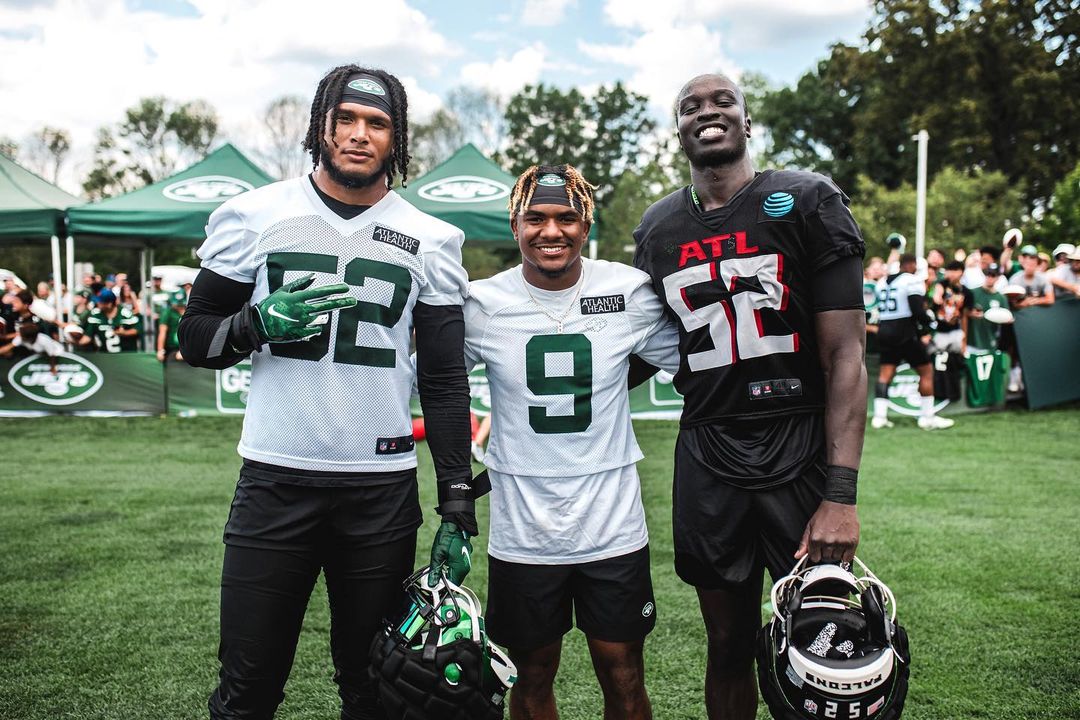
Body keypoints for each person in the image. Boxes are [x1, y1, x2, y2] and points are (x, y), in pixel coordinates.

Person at [177, 64, 475, 720]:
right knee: (247, 689)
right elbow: (194, 339)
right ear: (321, 126)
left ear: (397, 138)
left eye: (378, 123)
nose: (360, 134)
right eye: (346, 119)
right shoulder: (255, 215)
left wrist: (457, 500)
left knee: (377, 689)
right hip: (275, 480)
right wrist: (254, 324)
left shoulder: (432, 239)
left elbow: (444, 380)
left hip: (380, 493)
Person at [633, 74, 867, 720]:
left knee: (821, 644)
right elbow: (641, 348)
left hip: (799, 443)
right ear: (678, 129)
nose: (706, 113)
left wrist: (840, 496)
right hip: (709, 449)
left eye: (722, 102)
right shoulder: (658, 228)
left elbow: (846, 356)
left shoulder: (808, 199)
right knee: (727, 643)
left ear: (746, 120)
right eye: (690, 107)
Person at [467, 164, 678, 720]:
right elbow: (429, 380)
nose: (551, 231)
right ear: (515, 225)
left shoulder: (626, 290)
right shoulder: (483, 303)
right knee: (531, 672)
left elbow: (691, 360)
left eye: (566, 217)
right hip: (523, 523)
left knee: (623, 670)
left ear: (586, 225)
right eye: (535, 218)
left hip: (611, 518)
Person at [872, 253, 954, 429]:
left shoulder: (882, 282)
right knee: (926, 371)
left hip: (884, 329)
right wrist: (930, 321)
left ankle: (879, 417)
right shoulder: (911, 280)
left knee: (885, 374)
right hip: (905, 331)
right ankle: (927, 417)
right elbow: (917, 310)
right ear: (911, 264)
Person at [77, 288, 141, 352]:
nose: (98, 303)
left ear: (109, 304)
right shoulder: (96, 314)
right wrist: (75, 341)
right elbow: (88, 337)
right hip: (104, 355)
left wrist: (124, 333)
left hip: (126, 354)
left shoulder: (125, 314)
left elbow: (138, 329)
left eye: (101, 302)